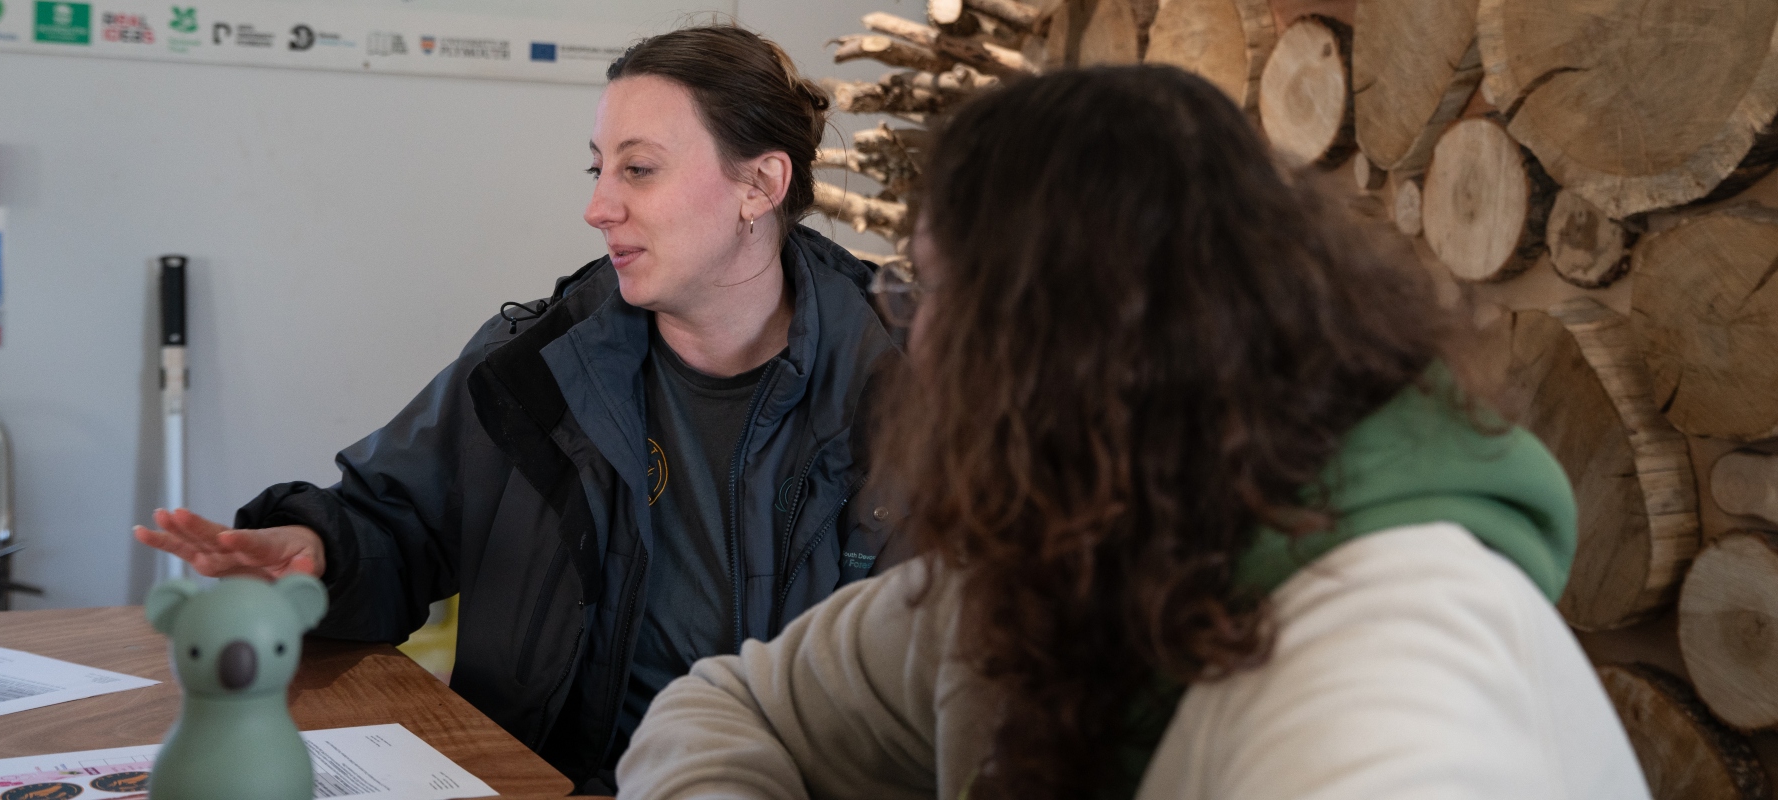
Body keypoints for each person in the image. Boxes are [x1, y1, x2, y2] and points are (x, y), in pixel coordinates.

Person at [614, 65, 1650, 800]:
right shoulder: (1056, 558)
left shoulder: (1392, 666)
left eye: (934, 289)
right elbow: (727, 704)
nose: (916, 337)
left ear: (1061, 335)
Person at [132, 25, 904, 792]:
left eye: (638, 169)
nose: (598, 207)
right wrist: (313, 546)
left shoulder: (923, 388)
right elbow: (396, 522)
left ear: (760, 185)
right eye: (599, 169)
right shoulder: (536, 364)